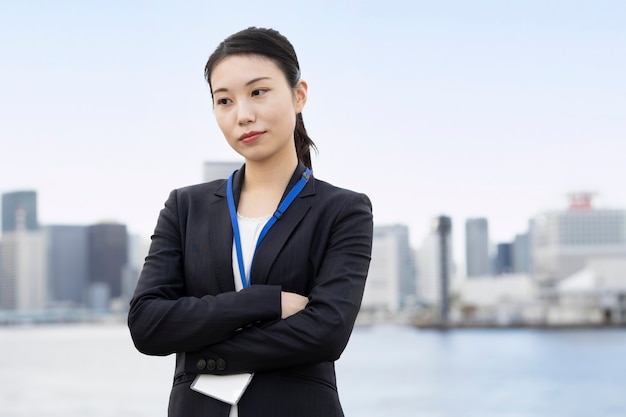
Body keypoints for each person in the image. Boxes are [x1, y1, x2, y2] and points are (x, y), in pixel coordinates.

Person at [128, 27, 373, 417]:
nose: (243, 115)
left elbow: (326, 333)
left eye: (258, 92)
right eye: (224, 100)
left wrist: (199, 354)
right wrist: (264, 302)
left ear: (299, 95)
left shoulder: (343, 210)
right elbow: (147, 324)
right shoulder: (185, 207)